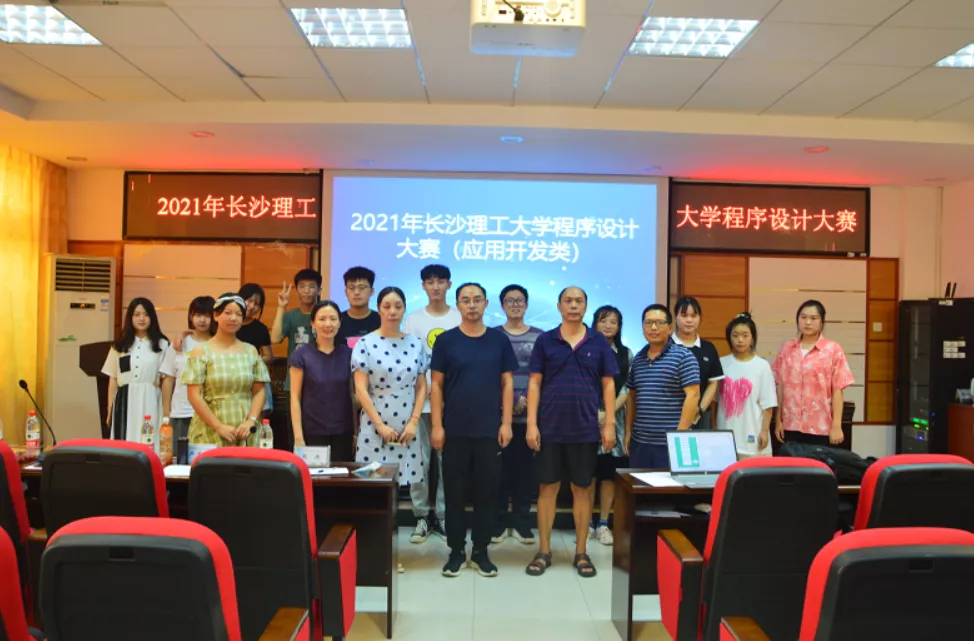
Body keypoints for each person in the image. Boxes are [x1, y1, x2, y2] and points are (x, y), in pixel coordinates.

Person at [525, 286, 617, 579]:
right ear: (559, 306)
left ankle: (581, 552)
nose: (574, 305)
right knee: (547, 489)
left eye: (579, 301)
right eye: (568, 301)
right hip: (550, 428)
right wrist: (531, 424)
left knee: (582, 489)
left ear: (586, 306)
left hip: (585, 429)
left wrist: (609, 424)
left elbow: (608, 384)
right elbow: (534, 382)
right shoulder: (545, 340)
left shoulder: (598, 341)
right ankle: (544, 551)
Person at [431, 283, 518, 578]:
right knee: (454, 495)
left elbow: (507, 383)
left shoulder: (498, 340)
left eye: (477, 300)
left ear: (485, 304)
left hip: (489, 431)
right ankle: (456, 552)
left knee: (487, 494)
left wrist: (506, 423)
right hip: (454, 431)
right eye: (466, 300)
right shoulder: (446, 341)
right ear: (457, 304)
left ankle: (481, 551)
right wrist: (437, 426)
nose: (471, 305)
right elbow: (436, 385)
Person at [402, 264, 461, 543]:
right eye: (430, 281)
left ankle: (443, 515)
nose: (435, 286)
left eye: (440, 281)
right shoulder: (413, 320)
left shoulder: (460, 317)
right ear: (423, 286)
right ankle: (421, 517)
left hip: (453, 404)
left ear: (449, 284)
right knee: (419, 461)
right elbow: (407, 362)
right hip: (419, 405)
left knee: (448, 463)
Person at [352, 287, 429, 492]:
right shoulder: (365, 343)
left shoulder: (415, 344)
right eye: (386, 306)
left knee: (404, 480)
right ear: (379, 309)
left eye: (398, 306)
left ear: (404, 309)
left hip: (407, 424)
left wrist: (414, 422)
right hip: (375, 422)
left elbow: (422, 386)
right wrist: (380, 425)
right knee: (372, 482)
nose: (392, 311)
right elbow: (360, 389)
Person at [182, 294, 270, 447]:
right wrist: (218, 426)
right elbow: (193, 395)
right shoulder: (201, 351)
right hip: (210, 428)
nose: (233, 318)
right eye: (228, 313)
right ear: (216, 316)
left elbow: (259, 391)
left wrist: (251, 420)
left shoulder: (250, 351)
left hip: (245, 429)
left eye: (239, 314)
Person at [493, 284, 543, 545]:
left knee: (525, 474)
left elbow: (543, 376)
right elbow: (489, 374)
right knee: (499, 474)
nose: (515, 305)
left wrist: (526, 401)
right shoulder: (492, 336)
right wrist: (509, 402)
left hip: (529, 418)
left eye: (519, 300)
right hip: (499, 419)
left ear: (526, 305)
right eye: (510, 301)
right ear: (502, 305)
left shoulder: (540, 337)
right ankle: (499, 523)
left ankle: (523, 524)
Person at [625, 304, 700, 468]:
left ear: (670, 328)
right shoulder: (638, 359)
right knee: (639, 485)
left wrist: (679, 437)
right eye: (648, 323)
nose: (653, 328)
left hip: (671, 443)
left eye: (659, 323)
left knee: (671, 485)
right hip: (640, 442)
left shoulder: (684, 356)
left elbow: (693, 395)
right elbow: (631, 397)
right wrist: (628, 432)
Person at [772, 300, 855, 446]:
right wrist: (778, 420)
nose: (808, 322)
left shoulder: (832, 350)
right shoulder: (787, 349)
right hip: (790, 425)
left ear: (822, 322)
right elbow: (780, 386)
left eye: (813, 318)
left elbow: (838, 390)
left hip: (821, 427)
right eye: (803, 317)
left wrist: (836, 425)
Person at [589, 305, 632, 546]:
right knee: (586, 475)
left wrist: (607, 413)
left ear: (619, 327)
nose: (608, 325)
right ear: (595, 323)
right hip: (586, 419)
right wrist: (594, 414)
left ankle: (604, 523)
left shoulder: (626, 354)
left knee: (608, 475)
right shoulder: (584, 348)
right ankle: (586, 523)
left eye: (613, 322)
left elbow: (627, 388)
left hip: (614, 422)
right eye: (603, 321)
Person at [289, 300, 355, 460]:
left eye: (333, 319)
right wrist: (298, 437)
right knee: (314, 476)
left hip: (343, 432)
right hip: (311, 433)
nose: (328, 324)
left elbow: (352, 396)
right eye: (322, 319)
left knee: (342, 475)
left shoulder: (349, 354)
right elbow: (295, 398)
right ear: (312, 323)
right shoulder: (301, 355)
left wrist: (355, 432)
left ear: (339, 322)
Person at [103, 297, 169, 444]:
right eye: (137, 314)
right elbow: (113, 378)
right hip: (124, 400)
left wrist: (166, 412)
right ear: (130, 317)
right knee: (124, 441)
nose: (142, 319)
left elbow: (166, 381)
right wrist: (109, 409)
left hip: (150, 398)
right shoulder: (119, 345)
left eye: (146, 314)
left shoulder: (162, 344)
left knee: (149, 440)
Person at [160, 296, 215, 462]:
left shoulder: (217, 344)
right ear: (191, 316)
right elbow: (168, 379)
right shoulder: (179, 344)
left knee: (206, 461)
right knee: (179, 460)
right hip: (181, 412)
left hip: (210, 414)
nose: (202, 320)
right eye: (198, 315)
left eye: (207, 315)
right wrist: (166, 414)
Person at [715, 314, 776, 458]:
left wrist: (764, 431)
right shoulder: (721, 363)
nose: (740, 340)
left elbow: (768, 405)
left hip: (753, 439)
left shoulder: (762, 365)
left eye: (745, 335)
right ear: (729, 338)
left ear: (752, 338)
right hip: (725, 438)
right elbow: (715, 402)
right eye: (735, 335)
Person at [672, 297, 724, 429]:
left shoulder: (708, 348)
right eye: (684, 315)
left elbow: (713, 383)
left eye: (694, 316)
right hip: (669, 414)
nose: (689, 320)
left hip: (699, 416)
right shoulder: (666, 346)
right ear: (675, 317)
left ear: (700, 318)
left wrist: (700, 409)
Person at [271, 268, 322, 388]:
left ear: (319, 290)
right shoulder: (290, 316)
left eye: (311, 286)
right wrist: (281, 307)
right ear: (297, 290)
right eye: (302, 286)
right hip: (294, 381)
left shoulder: (325, 315)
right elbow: (275, 339)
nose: (306, 291)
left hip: (320, 380)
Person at [238, 283, 274, 416]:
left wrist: (251, 361)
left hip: (253, 376)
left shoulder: (260, 329)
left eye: (257, 304)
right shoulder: (228, 324)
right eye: (249, 300)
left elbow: (269, 357)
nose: (252, 306)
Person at [337, 266, 381, 347]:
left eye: (362, 287)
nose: (356, 292)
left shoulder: (381, 321)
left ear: (372, 291)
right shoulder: (337, 321)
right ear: (346, 292)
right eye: (351, 287)